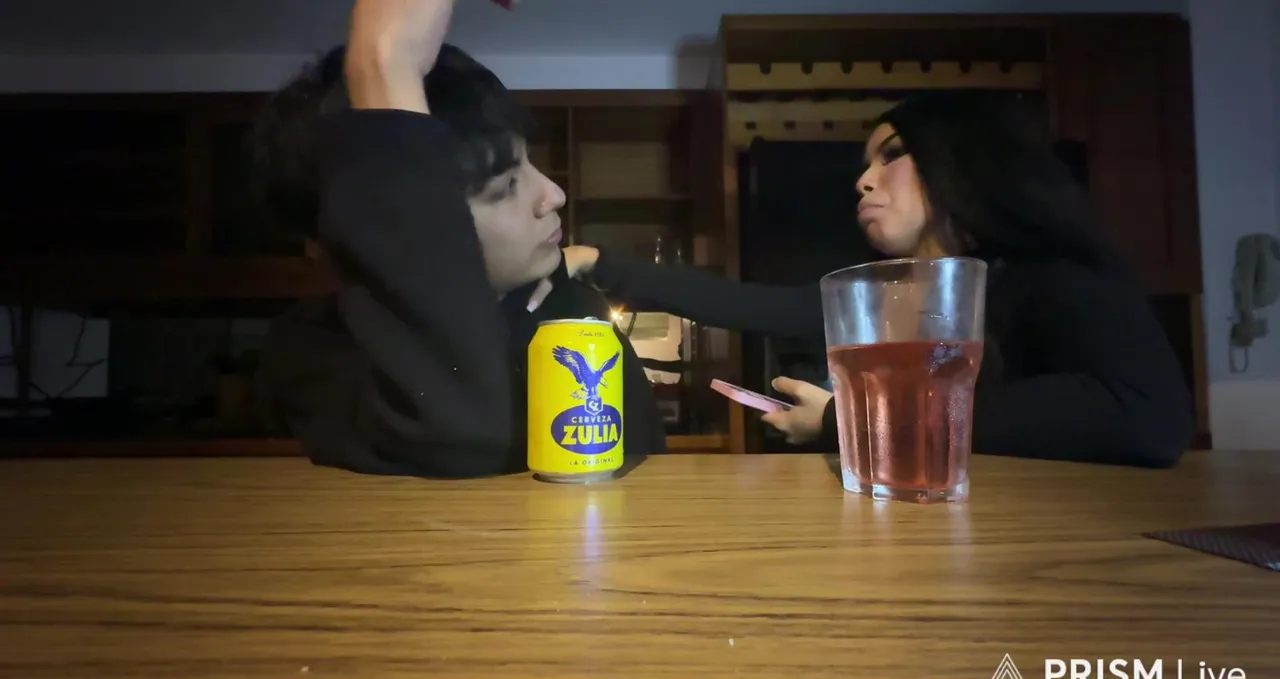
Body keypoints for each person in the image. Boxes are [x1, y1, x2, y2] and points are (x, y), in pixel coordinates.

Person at [561, 90, 1195, 469]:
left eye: (891, 155)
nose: (863, 180)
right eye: (866, 165)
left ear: (960, 159)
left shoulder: (1053, 272)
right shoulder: (884, 294)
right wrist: (598, 262)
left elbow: (1147, 416)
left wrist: (850, 421)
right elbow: (747, 304)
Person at [250, 0, 666, 478]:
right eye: (503, 187)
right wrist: (387, 68)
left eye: (529, 163)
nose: (554, 194)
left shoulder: (573, 312)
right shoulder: (310, 347)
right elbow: (457, 436)